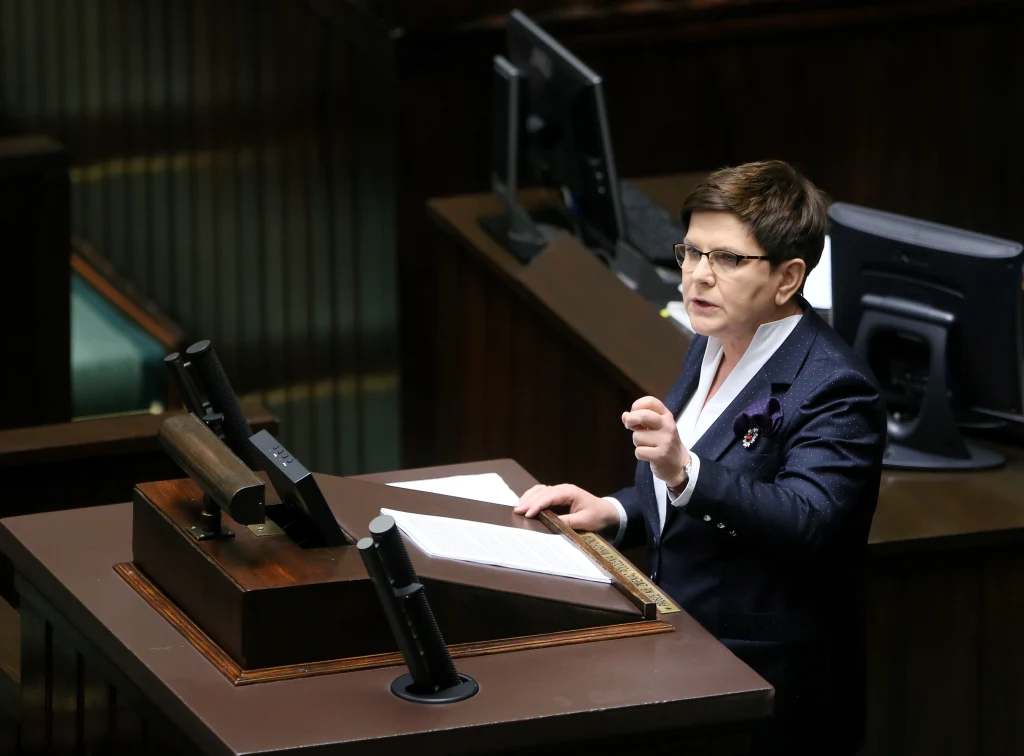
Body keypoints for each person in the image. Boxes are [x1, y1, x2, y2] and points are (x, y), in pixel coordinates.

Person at [514, 160, 886, 756]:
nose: (697, 276)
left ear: (788, 277)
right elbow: (696, 484)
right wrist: (617, 511)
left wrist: (684, 470)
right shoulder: (710, 340)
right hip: (684, 652)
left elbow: (806, 521)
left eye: (728, 259)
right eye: (691, 252)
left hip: (766, 688)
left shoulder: (836, 387)